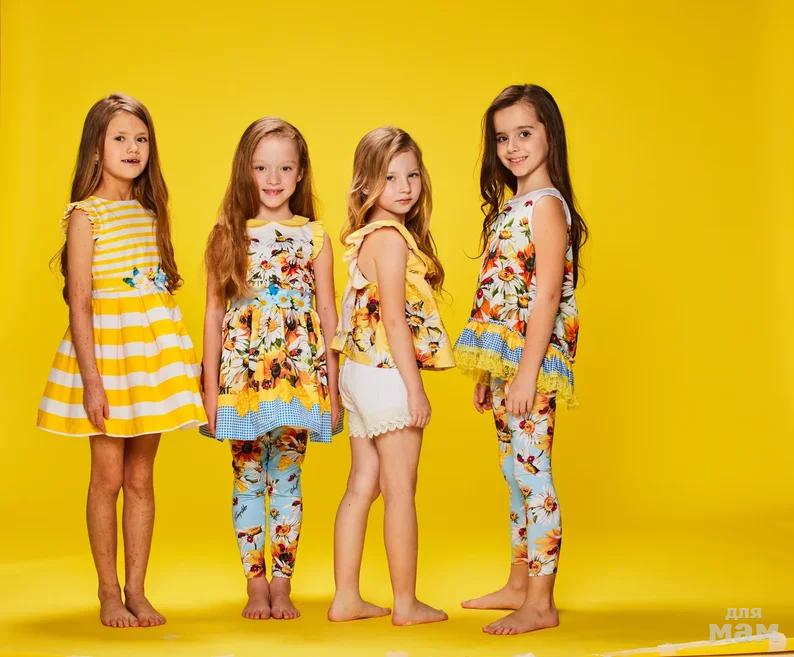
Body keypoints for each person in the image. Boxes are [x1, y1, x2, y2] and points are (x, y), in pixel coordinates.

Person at [37, 93, 206, 628]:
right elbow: (79, 300)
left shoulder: (149, 211)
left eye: (141, 139)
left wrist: (181, 363)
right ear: (96, 147)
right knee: (107, 476)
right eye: (119, 138)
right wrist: (92, 381)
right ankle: (108, 592)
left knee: (140, 477)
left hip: (148, 360)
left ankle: (137, 588)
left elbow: (157, 295)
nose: (132, 148)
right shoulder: (85, 216)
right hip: (108, 359)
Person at [454, 84, 588, 635]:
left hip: (535, 364)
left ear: (550, 135)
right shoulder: (511, 207)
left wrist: (528, 374)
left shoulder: (548, 205)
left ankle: (541, 600)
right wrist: (490, 369)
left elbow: (547, 294)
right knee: (513, 473)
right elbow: (502, 293)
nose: (512, 147)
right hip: (508, 364)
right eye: (502, 138)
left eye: (524, 134)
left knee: (534, 476)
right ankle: (517, 582)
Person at [201, 117, 341, 620]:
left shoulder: (315, 237)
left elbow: (328, 313)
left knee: (288, 479)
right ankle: (254, 583)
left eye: (285, 168)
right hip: (241, 379)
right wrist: (209, 389)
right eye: (262, 168)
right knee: (247, 478)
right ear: (246, 170)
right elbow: (214, 314)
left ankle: (282, 583)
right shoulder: (228, 234)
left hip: (299, 378)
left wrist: (335, 387)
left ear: (300, 172)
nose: (274, 178)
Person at [329, 127, 454, 626]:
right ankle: (405, 603)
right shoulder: (393, 241)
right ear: (366, 184)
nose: (405, 187)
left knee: (363, 484)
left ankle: (346, 597)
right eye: (390, 178)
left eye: (412, 176)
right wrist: (415, 389)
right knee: (401, 489)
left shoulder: (366, 237)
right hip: (386, 375)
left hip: (358, 374)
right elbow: (396, 321)